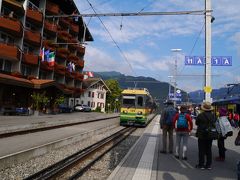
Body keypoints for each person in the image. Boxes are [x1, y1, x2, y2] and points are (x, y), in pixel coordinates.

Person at [195, 101, 215, 170]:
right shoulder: (213, 115)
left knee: (201, 150)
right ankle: (208, 165)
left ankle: (201, 165)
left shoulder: (200, 115)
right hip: (210, 134)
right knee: (209, 149)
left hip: (202, 134)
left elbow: (196, 123)